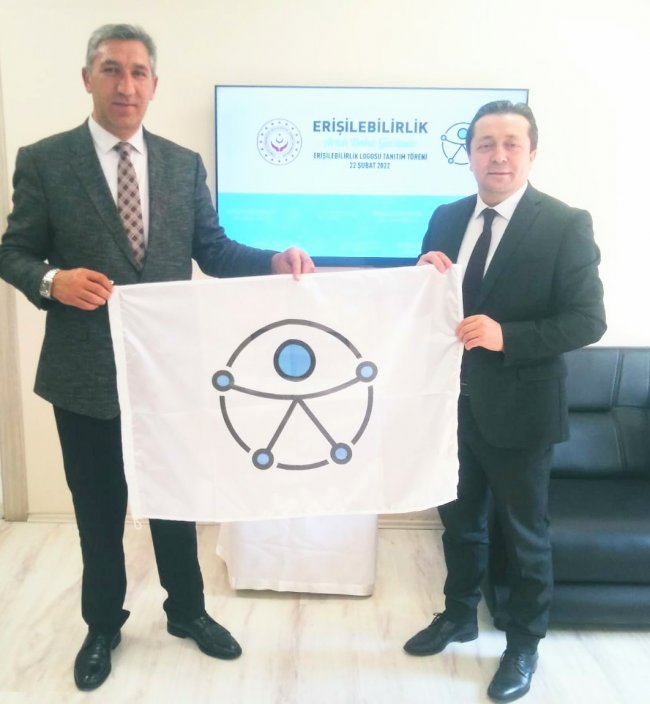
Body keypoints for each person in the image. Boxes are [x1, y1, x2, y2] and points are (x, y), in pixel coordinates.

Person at [0, 23, 313, 692]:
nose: (126, 84)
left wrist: (273, 260)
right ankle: (102, 625)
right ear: (87, 78)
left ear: (154, 84)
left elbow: (214, 251)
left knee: (176, 498)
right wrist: (53, 281)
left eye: (138, 72)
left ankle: (187, 611)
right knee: (98, 510)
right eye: (112, 69)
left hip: (170, 372)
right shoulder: (46, 160)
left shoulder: (181, 164)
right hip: (83, 374)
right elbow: (14, 252)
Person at [403, 101, 606, 702]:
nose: (498, 155)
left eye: (511, 143)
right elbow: (428, 307)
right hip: (449, 405)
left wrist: (506, 336)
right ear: (469, 155)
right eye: (485, 144)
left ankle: (522, 644)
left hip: (522, 408)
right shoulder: (445, 218)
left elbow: (588, 319)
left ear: (531, 154)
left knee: (524, 536)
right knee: (459, 523)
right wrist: (420, 275)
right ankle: (458, 615)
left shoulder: (565, 223)